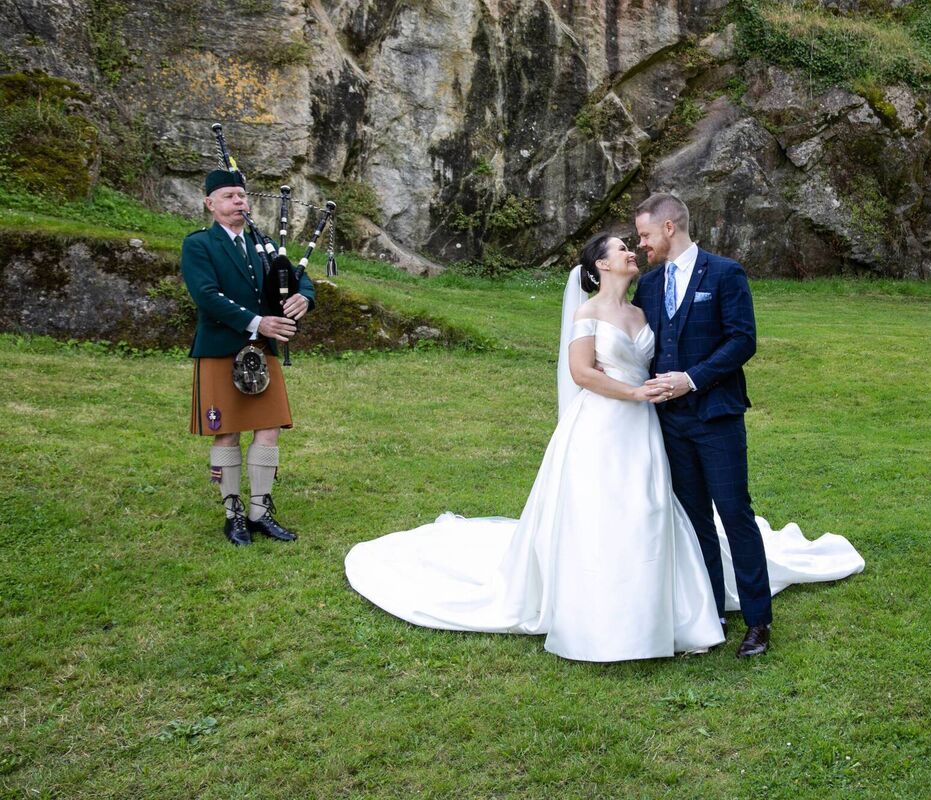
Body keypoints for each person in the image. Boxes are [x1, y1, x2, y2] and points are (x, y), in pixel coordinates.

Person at [343, 233, 865, 662]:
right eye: (621, 248)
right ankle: (602, 610)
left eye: (632, 243)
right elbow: (581, 373)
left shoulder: (645, 307)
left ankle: (675, 605)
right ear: (599, 265)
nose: (631, 251)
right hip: (604, 425)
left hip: (651, 427)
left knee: (655, 509)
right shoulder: (587, 312)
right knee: (603, 513)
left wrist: (666, 387)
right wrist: (636, 392)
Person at [632, 192, 773, 657]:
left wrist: (691, 380)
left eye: (646, 235)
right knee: (694, 522)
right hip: (668, 425)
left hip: (716, 416)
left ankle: (758, 622)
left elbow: (742, 341)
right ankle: (708, 610)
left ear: (670, 227)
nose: (641, 245)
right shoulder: (649, 287)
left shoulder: (726, 273)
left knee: (735, 514)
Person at [181, 168, 316, 546]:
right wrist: (259, 323)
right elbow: (206, 295)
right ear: (210, 203)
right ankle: (233, 515)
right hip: (222, 347)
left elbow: (295, 276)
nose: (239, 202)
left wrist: (305, 296)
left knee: (269, 429)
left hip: (261, 351)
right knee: (226, 433)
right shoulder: (199, 245)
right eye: (228, 196)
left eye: (242, 195)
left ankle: (259, 511)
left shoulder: (264, 243)